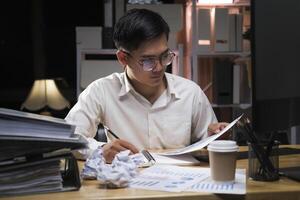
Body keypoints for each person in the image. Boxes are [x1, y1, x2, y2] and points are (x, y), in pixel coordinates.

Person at [66, 8, 228, 163]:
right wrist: (101, 150)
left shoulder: (190, 92)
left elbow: (208, 143)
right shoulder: (101, 91)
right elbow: (68, 138)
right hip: (128, 186)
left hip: (179, 186)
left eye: (165, 56)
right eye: (148, 60)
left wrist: (216, 137)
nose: (159, 67)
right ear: (123, 58)